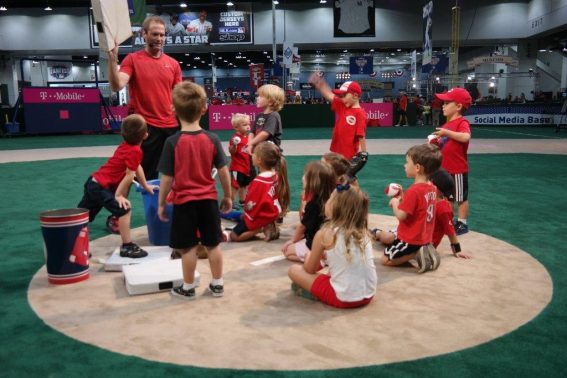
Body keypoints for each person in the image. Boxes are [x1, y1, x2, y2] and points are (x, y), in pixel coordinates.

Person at [157, 81, 232, 300]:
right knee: (213, 244)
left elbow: (167, 178)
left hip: (184, 203)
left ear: (173, 111)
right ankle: (217, 284)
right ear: (204, 109)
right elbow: (224, 170)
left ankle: (188, 288)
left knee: (187, 248)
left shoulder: (173, 142)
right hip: (208, 201)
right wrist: (227, 195)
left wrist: (161, 203)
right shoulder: (212, 139)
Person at [107, 15, 182, 181]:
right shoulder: (132, 59)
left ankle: (173, 206)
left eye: (162, 35)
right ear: (144, 34)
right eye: (155, 34)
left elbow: (179, 95)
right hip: (147, 128)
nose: (159, 38)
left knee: (180, 174)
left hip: (171, 126)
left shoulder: (173, 64)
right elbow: (117, 85)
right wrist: (112, 61)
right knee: (147, 177)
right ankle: (149, 206)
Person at [77, 114, 156, 258]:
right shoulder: (135, 150)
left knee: (81, 218)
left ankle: (72, 248)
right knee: (124, 210)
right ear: (145, 135)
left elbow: (137, 167)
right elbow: (129, 175)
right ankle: (127, 246)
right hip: (101, 187)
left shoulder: (125, 146)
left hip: (93, 182)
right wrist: (119, 195)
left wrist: (145, 186)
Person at [288, 184, 377, 309]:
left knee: (293, 270)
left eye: (330, 198)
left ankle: (314, 293)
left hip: (343, 298)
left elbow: (310, 270)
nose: (327, 201)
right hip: (368, 295)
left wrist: (309, 256)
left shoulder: (324, 234)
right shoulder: (363, 232)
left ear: (336, 207)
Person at [375, 144, 441, 273]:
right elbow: (419, 206)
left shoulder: (414, 191)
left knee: (385, 259)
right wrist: (403, 198)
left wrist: (394, 202)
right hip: (425, 237)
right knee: (390, 242)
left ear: (417, 168)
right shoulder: (432, 187)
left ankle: (415, 253)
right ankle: (422, 249)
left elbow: (401, 215)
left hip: (410, 239)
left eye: (407, 162)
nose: (404, 166)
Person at [228, 142, 288, 242]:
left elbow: (251, 205)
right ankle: (268, 224)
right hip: (272, 213)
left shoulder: (258, 181)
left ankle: (261, 228)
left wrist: (247, 216)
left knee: (234, 236)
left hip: (261, 216)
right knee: (237, 216)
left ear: (259, 160)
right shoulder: (276, 175)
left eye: (254, 153)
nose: (252, 155)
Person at [433, 87, 473, 235]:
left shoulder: (462, 122)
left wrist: (446, 133)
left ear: (458, 106)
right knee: (445, 196)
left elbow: (465, 137)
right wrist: (434, 142)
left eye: (446, 103)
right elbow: (442, 145)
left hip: (457, 168)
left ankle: (462, 223)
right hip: (443, 168)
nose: (442, 106)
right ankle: (446, 221)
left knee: (460, 197)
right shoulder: (445, 125)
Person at [248, 83, 290, 219]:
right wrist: (250, 145)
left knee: (276, 185)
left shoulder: (274, 115)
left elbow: (265, 133)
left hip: (271, 157)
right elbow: (252, 131)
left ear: (271, 101)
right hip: (261, 156)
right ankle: (266, 209)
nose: (257, 98)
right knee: (264, 183)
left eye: (260, 96)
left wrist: (251, 143)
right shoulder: (260, 115)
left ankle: (280, 211)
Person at [282, 161, 336, 262]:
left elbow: (302, 226)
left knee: (288, 252)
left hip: (316, 243)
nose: (303, 178)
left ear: (313, 182)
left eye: (306, 176)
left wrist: (292, 240)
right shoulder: (333, 197)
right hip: (331, 243)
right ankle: (322, 256)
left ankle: (316, 258)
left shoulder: (314, 203)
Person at [309, 73, 368, 163]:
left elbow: (361, 135)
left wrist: (364, 153)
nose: (342, 99)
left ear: (355, 96)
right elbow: (330, 95)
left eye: (344, 95)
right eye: (341, 96)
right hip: (336, 151)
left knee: (347, 175)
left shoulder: (360, 113)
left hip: (349, 154)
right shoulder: (343, 106)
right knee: (326, 163)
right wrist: (320, 84)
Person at [429, 168, 472, 259]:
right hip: (419, 237)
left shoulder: (444, 208)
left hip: (427, 244)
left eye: (429, 181)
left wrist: (457, 250)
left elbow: (450, 231)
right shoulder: (429, 199)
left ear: (436, 188)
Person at [228, 113, 253, 210]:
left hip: (246, 167)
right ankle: (231, 201)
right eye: (245, 125)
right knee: (235, 185)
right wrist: (234, 145)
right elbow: (231, 152)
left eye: (248, 124)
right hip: (237, 167)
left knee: (245, 185)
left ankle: (242, 201)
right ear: (236, 128)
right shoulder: (234, 139)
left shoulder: (247, 138)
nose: (248, 127)